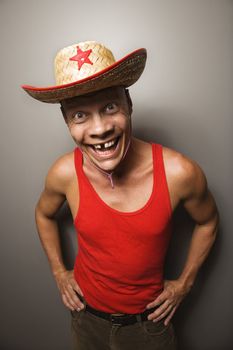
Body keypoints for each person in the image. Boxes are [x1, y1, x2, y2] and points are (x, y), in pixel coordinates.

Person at [22, 41, 219, 350]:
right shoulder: (64, 173)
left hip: (149, 328)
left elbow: (208, 221)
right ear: (67, 122)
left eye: (109, 107)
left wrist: (185, 283)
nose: (99, 128)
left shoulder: (180, 172)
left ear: (128, 104)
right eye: (80, 116)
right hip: (86, 322)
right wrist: (60, 272)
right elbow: (43, 213)